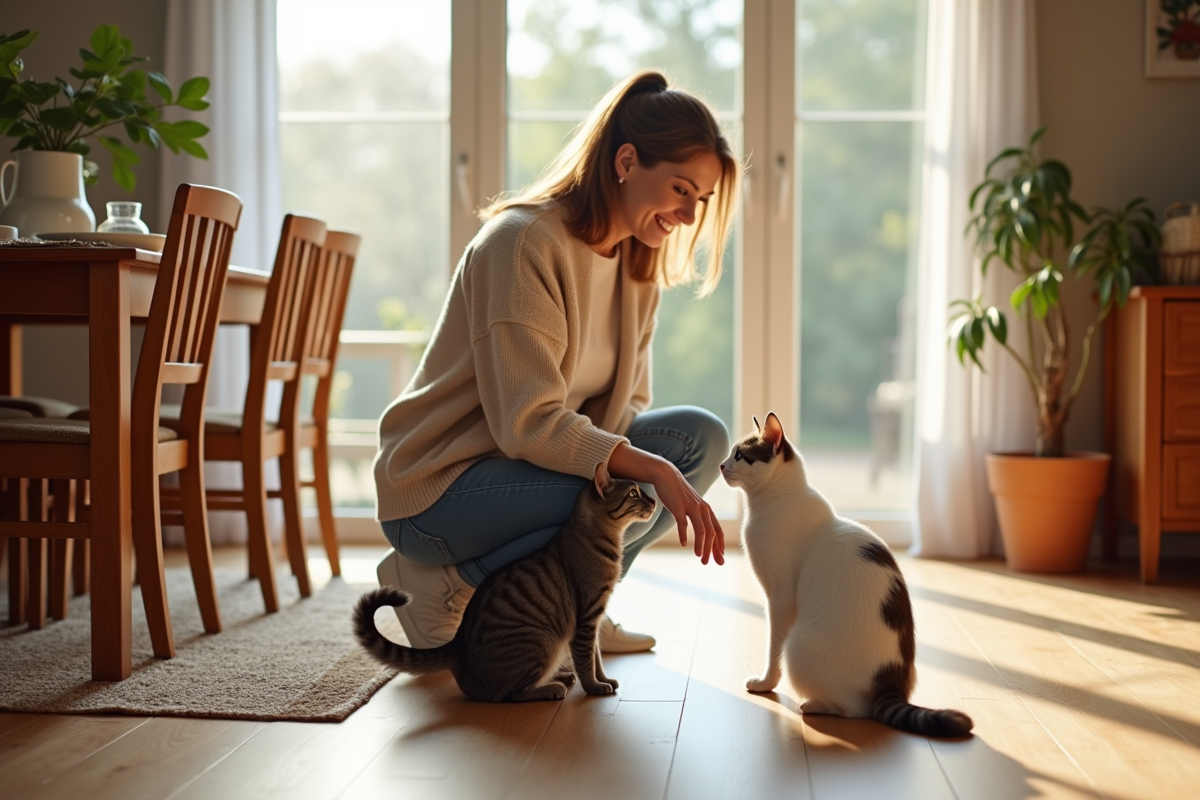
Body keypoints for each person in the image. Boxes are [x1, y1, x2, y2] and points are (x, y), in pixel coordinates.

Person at [373, 70, 740, 653]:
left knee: (700, 440)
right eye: (680, 189)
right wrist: (647, 470)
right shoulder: (522, 243)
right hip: (439, 491)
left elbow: (628, 406)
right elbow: (527, 424)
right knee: (637, 478)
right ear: (626, 162)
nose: (689, 216)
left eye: (701, 199)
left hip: (529, 475)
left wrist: (648, 466)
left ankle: (580, 608)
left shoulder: (636, 265)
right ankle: (441, 581)